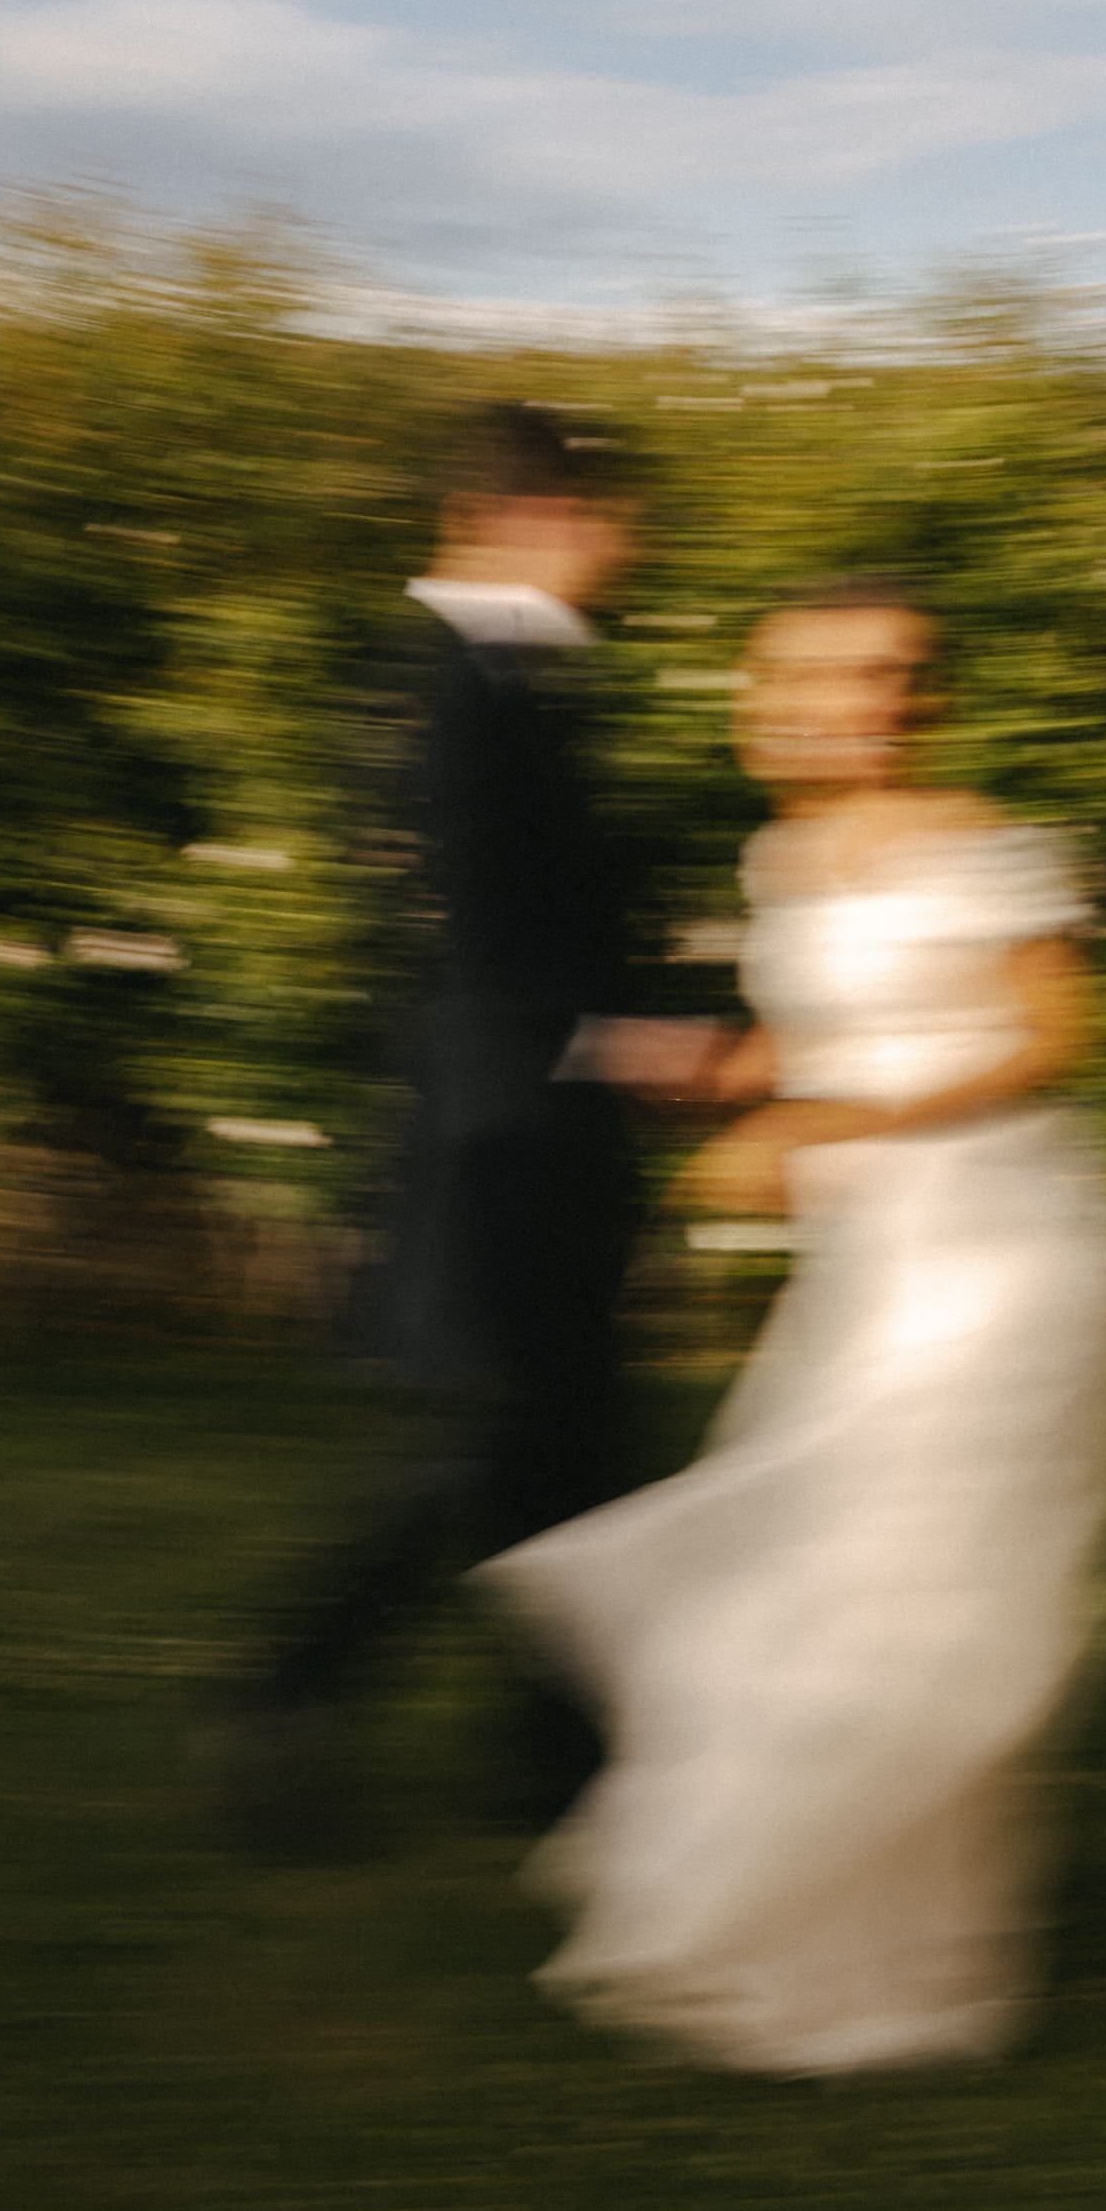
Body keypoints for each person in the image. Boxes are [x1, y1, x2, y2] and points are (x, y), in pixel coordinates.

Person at [476, 582, 1106, 2073]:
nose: (866, 700)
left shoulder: (986, 840)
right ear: (763, 693)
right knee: (828, 1561)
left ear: (929, 696)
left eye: (896, 673)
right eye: (824, 674)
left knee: (934, 1588)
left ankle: (892, 1937)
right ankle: (820, 1910)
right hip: (877, 1260)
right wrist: (718, 1066)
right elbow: (817, 1034)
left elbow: (1052, 1037)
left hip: (1007, 1252)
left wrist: (837, 1117)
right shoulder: (779, 853)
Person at [215, 401, 711, 1850]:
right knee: (501, 1454)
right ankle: (297, 1689)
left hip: (540, 1138)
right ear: (539, 515)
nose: (633, 551)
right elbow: (481, 935)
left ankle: (547, 1756)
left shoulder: (511, 672)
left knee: (568, 1447)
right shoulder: (444, 683)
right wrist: (639, 1036)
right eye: (618, 522)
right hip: (503, 1150)